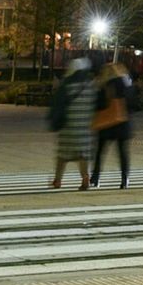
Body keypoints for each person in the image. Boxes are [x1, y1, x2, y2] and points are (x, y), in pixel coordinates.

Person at [48, 58, 98, 191]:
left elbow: (58, 105)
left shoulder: (66, 85)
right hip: (85, 127)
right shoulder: (90, 86)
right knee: (83, 155)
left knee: (62, 156)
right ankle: (85, 177)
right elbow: (96, 104)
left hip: (68, 126)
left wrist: (53, 120)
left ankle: (57, 180)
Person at [89, 61, 136, 189]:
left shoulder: (104, 85)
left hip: (107, 124)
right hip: (123, 123)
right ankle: (125, 179)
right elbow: (132, 104)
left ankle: (95, 178)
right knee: (122, 153)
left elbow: (98, 104)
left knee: (100, 152)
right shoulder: (127, 85)